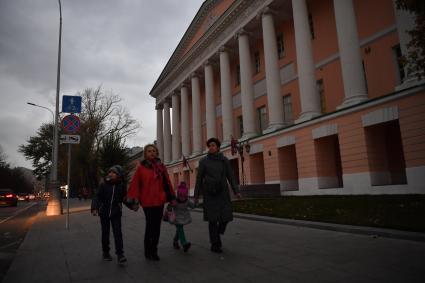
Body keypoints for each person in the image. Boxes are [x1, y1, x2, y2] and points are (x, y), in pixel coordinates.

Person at [127, 144, 176, 261]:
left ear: (157, 153)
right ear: (145, 154)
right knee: (150, 225)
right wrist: (134, 199)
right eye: (149, 151)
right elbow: (135, 184)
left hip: (159, 200)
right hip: (147, 201)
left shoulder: (161, 166)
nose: (152, 153)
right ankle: (147, 250)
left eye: (154, 151)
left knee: (157, 226)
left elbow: (167, 182)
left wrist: (172, 197)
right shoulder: (141, 168)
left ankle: (154, 250)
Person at [194, 137, 241, 253]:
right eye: (209, 146)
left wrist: (236, 191)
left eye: (213, 145)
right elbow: (199, 179)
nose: (211, 147)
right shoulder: (203, 161)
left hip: (223, 192)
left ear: (218, 147)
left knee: (225, 217)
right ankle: (215, 244)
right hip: (210, 193)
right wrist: (196, 196)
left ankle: (218, 232)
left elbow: (230, 176)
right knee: (212, 220)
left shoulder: (224, 160)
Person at [91, 165, 128, 263]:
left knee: (118, 233)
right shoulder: (103, 185)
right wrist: (95, 208)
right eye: (110, 172)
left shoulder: (121, 186)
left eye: (114, 172)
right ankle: (106, 252)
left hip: (116, 212)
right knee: (105, 233)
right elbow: (97, 196)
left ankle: (120, 254)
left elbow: (124, 198)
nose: (110, 174)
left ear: (119, 175)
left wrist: (132, 205)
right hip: (104, 212)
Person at [172, 181, 195, 252]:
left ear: (186, 195)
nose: (182, 198)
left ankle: (175, 241)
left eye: (184, 197)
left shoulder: (187, 200)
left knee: (179, 231)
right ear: (178, 195)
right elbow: (170, 206)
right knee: (180, 230)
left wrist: (195, 203)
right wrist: (170, 206)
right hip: (177, 218)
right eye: (180, 196)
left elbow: (192, 206)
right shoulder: (175, 201)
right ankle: (184, 244)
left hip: (183, 218)